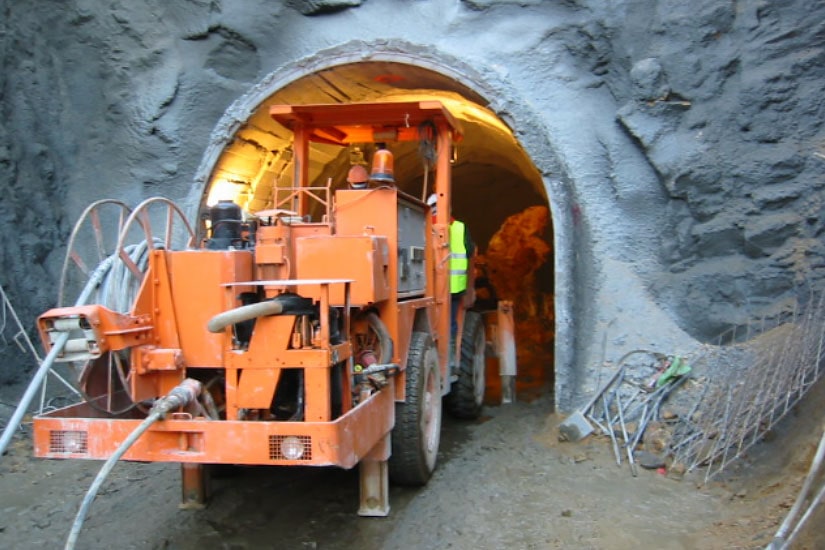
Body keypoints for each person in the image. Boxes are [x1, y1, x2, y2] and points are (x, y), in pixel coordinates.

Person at [427, 193, 475, 362]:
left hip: (450, 290)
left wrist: (470, 289)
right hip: (437, 291)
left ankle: (447, 361)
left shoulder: (459, 228)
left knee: (447, 326)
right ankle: (446, 360)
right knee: (444, 326)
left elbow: (470, 257)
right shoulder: (424, 227)